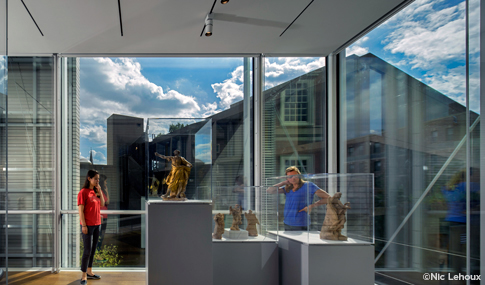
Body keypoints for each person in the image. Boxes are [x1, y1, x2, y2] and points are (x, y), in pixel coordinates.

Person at [267, 166, 330, 231]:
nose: (293, 178)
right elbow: (269, 191)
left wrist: (311, 206)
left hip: (302, 223)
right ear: (287, 178)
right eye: (290, 177)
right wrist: (283, 182)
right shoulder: (287, 188)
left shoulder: (309, 185)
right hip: (287, 222)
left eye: (295, 176)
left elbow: (328, 198)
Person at [78, 170, 105, 284]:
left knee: (93, 250)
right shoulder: (83, 192)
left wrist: (100, 190)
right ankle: (83, 275)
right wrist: (84, 225)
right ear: (89, 178)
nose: (97, 181)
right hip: (87, 225)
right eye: (96, 179)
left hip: (97, 224)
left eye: (98, 179)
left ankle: (90, 272)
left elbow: (103, 204)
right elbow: (81, 210)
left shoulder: (96, 191)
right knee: (87, 250)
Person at [96, 174, 110, 261]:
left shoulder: (102, 191)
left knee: (101, 236)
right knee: (99, 236)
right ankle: (97, 256)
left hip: (104, 216)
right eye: (105, 181)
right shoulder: (98, 191)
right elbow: (107, 201)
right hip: (100, 217)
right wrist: (106, 190)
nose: (106, 183)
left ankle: (98, 255)